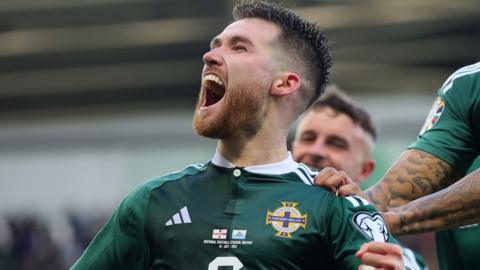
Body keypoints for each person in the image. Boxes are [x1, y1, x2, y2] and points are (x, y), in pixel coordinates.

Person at [70, 1, 412, 269]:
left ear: (285, 83)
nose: (209, 56)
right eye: (215, 45)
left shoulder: (336, 207)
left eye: (238, 48)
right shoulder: (151, 202)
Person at [316, 62, 480, 270]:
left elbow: (384, 213)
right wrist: (338, 211)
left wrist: (379, 221)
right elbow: (391, 196)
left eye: (336, 143)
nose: (318, 152)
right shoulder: (470, 85)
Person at [291, 86, 427, 270]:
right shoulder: (249, 203)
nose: (316, 151)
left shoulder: (395, 256)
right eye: (309, 138)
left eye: (336, 144)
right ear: (293, 148)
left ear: (365, 170)